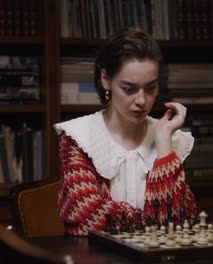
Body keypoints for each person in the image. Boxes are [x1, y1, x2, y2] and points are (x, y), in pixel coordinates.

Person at [53, 28, 197, 236]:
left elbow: (182, 223)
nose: (142, 100)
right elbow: (89, 220)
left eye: (150, 88)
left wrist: (164, 144)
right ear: (105, 79)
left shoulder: (170, 136)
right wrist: (154, 221)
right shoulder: (78, 136)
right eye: (129, 88)